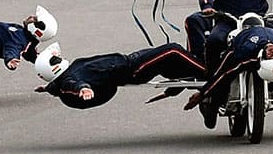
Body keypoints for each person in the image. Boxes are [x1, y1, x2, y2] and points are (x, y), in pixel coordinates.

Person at [34, 41, 205, 110]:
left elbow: (58, 86)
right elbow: (73, 85)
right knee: (172, 50)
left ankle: (200, 69)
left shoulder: (65, 75)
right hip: (133, 70)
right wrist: (84, 89)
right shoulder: (70, 80)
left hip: (130, 58)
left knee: (177, 55)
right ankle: (211, 75)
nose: (59, 57)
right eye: (55, 59)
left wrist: (48, 88)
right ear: (53, 68)